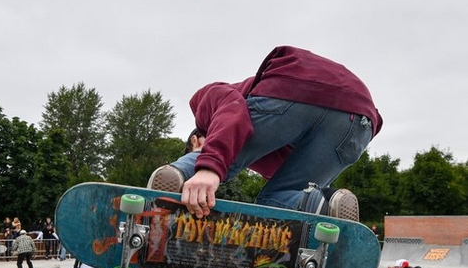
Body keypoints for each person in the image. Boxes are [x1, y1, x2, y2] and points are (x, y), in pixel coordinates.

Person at [148, 46, 382, 222]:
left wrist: (207, 168)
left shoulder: (204, 105)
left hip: (295, 87)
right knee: (278, 199)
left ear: (196, 138)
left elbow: (231, 113)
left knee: (220, 159)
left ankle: (177, 177)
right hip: (359, 120)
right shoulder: (269, 150)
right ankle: (325, 206)